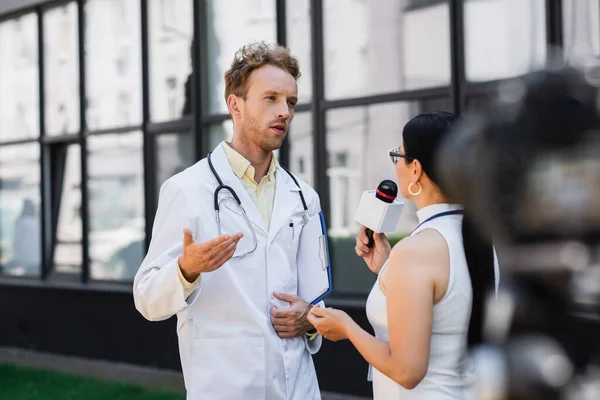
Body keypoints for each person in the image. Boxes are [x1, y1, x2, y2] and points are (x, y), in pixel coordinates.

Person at [133, 42, 323, 400]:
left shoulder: (303, 197)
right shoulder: (187, 190)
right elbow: (146, 299)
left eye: (291, 102)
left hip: (298, 388)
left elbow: (314, 292)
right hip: (225, 388)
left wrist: (309, 318)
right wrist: (186, 269)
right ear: (235, 105)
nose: (284, 111)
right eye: (271, 98)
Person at [307, 112, 500, 399]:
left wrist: (346, 327)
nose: (396, 162)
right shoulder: (480, 237)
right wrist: (388, 269)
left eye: (399, 154)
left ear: (416, 170)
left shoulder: (417, 250)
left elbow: (407, 370)